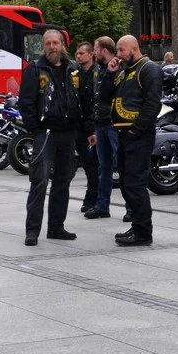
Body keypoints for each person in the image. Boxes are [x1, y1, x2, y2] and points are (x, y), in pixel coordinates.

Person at [18, 29, 86, 246]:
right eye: (48, 43)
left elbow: (84, 98)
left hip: (69, 133)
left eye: (55, 43)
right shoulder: (34, 70)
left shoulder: (74, 69)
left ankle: (56, 227)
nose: (52, 47)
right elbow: (25, 102)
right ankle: (32, 231)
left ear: (62, 44)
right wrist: (36, 128)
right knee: (39, 181)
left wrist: (86, 129)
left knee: (62, 182)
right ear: (43, 46)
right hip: (45, 134)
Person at [105, 35, 162, 246]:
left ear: (134, 48)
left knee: (136, 184)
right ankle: (136, 226)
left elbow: (152, 104)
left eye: (121, 50)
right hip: (122, 134)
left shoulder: (148, 69)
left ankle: (143, 233)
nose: (118, 55)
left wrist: (136, 130)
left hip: (137, 136)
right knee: (127, 184)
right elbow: (104, 97)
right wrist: (109, 75)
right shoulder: (124, 72)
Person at [84, 36, 124, 219]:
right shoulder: (98, 70)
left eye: (96, 49)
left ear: (104, 50)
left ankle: (132, 208)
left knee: (122, 165)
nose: (94, 52)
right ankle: (102, 206)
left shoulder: (118, 69)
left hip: (114, 123)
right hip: (101, 123)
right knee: (104, 167)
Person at [74, 42, 100, 214]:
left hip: (94, 126)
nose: (78, 56)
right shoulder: (76, 74)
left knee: (93, 165)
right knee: (88, 164)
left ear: (91, 54)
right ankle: (91, 197)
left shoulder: (97, 74)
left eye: (82, 53)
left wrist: (93, 128)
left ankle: (93, 198)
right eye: (77, 53)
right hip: (80, 126)